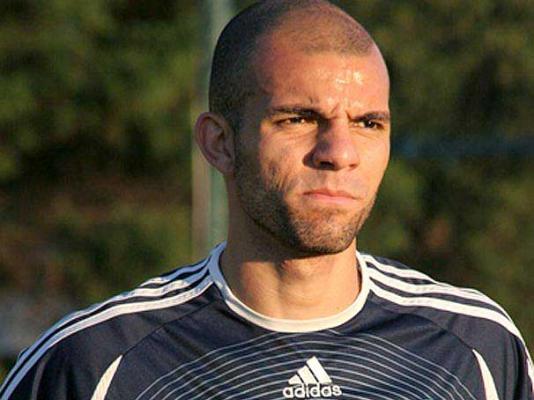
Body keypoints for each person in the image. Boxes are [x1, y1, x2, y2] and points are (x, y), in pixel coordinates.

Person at [1, 0, 532, 398]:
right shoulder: (95, 364)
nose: (339, 153)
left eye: (368, 123)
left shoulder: (476, 349)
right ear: (220, 143)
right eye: (298, 119)